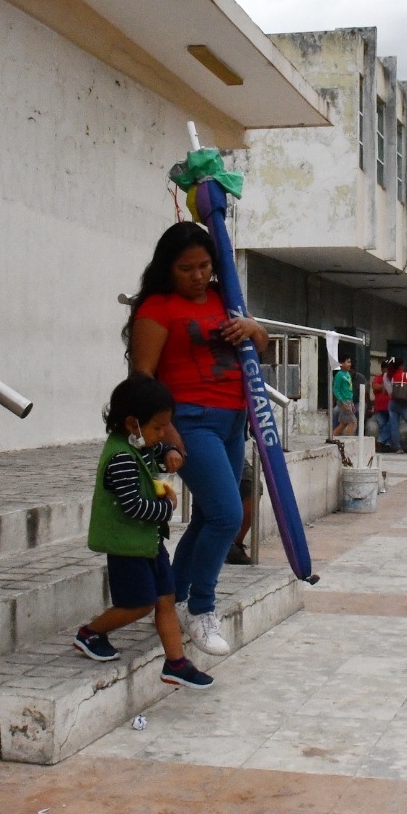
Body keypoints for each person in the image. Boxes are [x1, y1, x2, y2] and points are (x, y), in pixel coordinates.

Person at [126, 221, 268, 657]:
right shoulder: (157, 307)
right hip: (189, 420)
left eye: (204, 265)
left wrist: (252, 328)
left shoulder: (226, 299)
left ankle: (172, 595)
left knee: (211, 516)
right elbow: (142, 376)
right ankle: (201, 609)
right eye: (186, 267)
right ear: (169, 268)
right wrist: (165, 430)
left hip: (232, 418)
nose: (197, 275)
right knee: (227, 515)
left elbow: (261, 347)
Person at [71, 375, 213, 688]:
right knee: (139, 604)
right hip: (127, 547)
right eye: (158, 427)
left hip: (148, 543)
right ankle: (90, 632)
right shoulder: (120, 457)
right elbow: (133, 505)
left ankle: (176, 663)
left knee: (166, 599)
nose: (163, 433)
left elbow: (152, 451)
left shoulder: (136, 443)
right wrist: (167, 509)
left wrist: (166, 452)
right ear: (133, 423)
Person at [371, 360, 398, 451]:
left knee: (390, 424)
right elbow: (375, 387)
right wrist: (385, 385)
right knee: (382, 425)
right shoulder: (378, 378)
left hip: (391, 406)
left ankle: (382, 441)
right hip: (380, 407)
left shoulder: (393, 378)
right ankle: (386, 444)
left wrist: (383, 386)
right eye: (385, 368)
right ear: (382, 369)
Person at [331, 356, 358, 437]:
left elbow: (349, 390)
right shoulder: (339, 375)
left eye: (350, 362)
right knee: (352, 422)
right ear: (341, 363)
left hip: (349, 400)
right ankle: (348, 440)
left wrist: (351, 403)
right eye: (348, 362)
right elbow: (336, 389)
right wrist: (342, 401)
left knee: (344, 423)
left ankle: (333, 436)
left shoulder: (347, 374)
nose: (350, 364)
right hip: (344, 401)